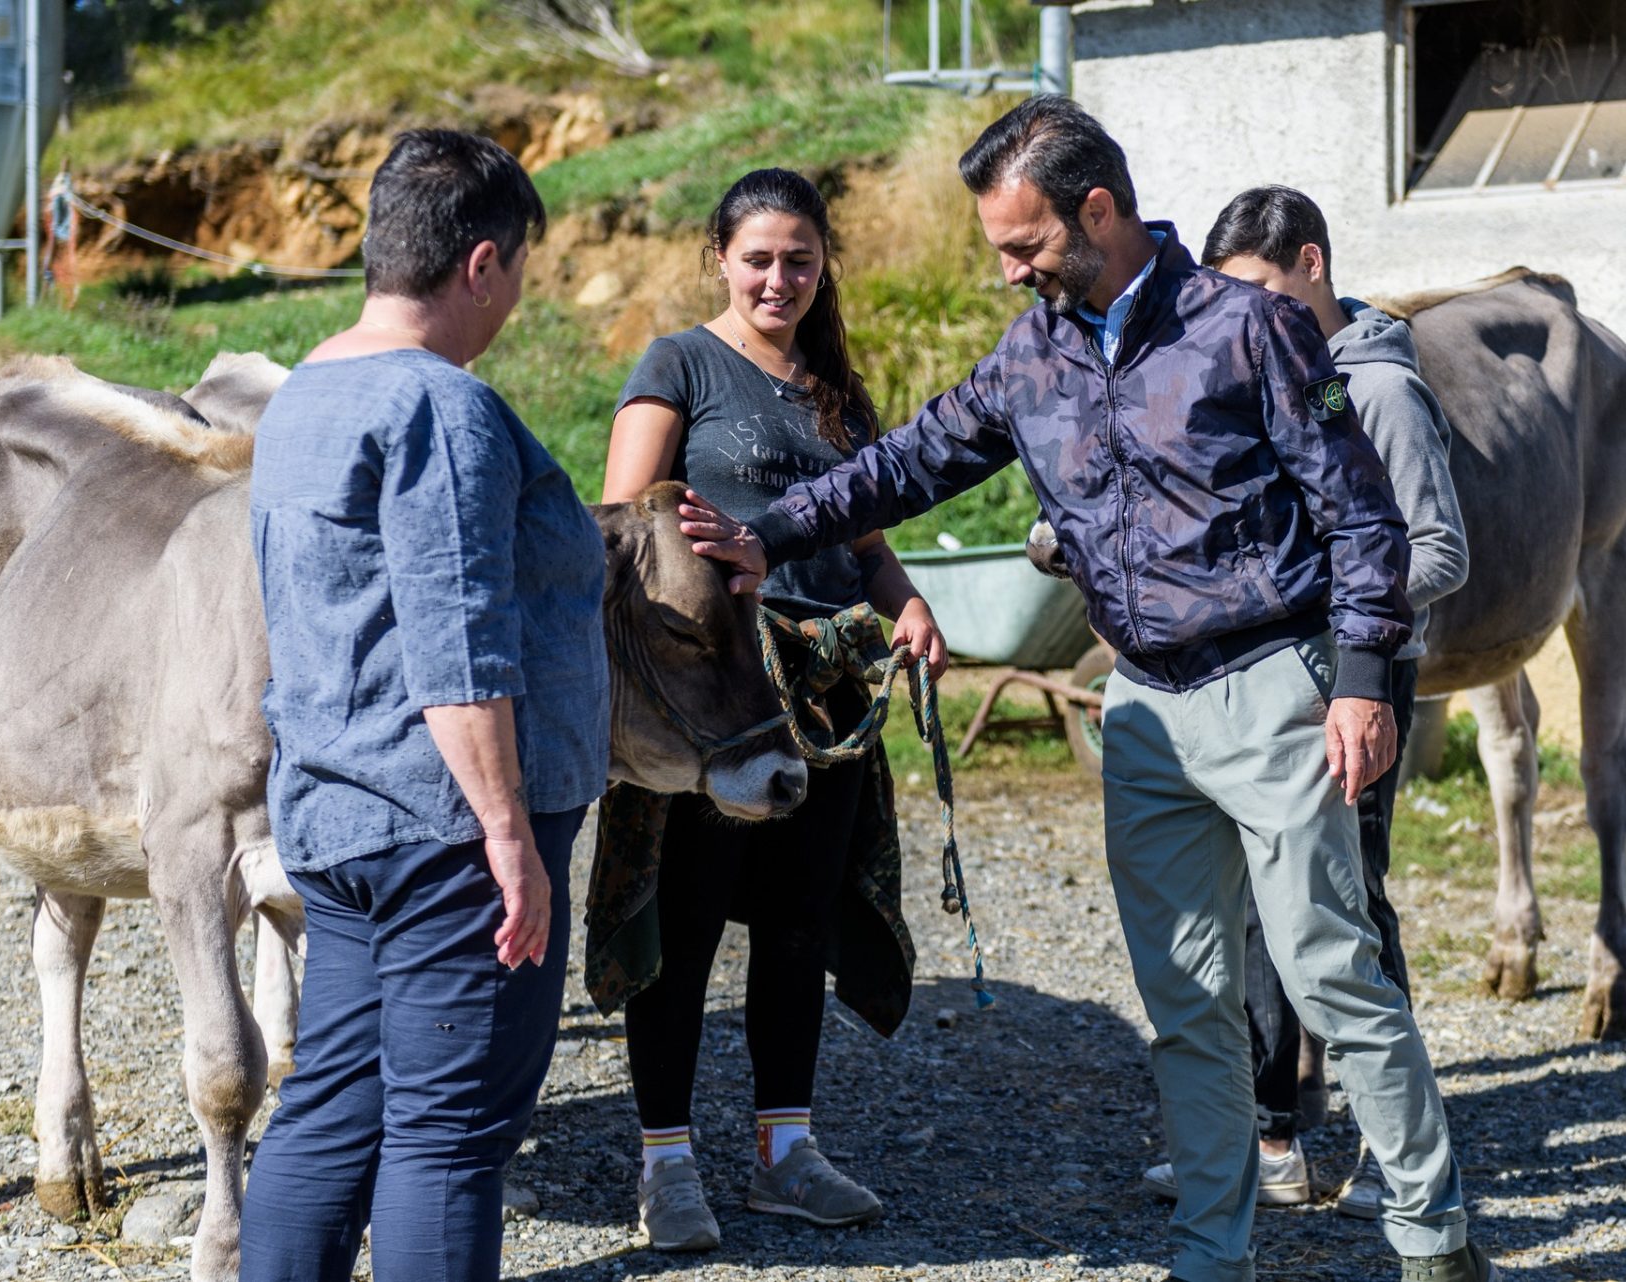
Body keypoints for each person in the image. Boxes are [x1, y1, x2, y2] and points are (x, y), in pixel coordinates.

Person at [684, 98, 1501, 1282]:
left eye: (1025, 245)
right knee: (1187, 1002)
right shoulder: (1034, 351)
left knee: (1332, 968)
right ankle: (1212, 1255)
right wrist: (770, 532)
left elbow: (1362, 516)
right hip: (1144, 708)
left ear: (1099, 210)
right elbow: (909, 459)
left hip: (1276, 684)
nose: (1011, 269)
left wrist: (1365, 682)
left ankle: (1435, 1240)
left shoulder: (1251, 328)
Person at [240, 129, 610, 1282]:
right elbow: (458, 642)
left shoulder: (304, 391)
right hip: (448, 834)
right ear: (482, 263)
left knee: (332, 1114)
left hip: (340, 818)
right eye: (520, 275)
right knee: (449, 1137)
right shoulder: (439, 409)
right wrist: (508, 832)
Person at [593, 167, 946, 1252]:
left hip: (830, 700)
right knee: (688, 928)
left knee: (797, 926)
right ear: (720, 260)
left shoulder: (839, 388)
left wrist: (911, 603)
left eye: (799, 258)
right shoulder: (680, 364)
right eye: (758, 258)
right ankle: (666, 1164)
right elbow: (622, 527)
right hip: (720, 696)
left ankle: (785, 1152)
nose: (778, 279)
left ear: (823, 262)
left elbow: (868, 547)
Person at [1135, 185, 1473, 1217]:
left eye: (1264, 292)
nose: (1243, 318)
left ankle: (1393, 1157)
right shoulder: (1270, 367)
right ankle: (1273, 1138)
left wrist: (1321, 620)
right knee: (1257, 918)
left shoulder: (1382, 392)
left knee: (1348, 914)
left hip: (1355, 683)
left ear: (1313, 267)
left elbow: (1441, 551)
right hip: (1272, 684)